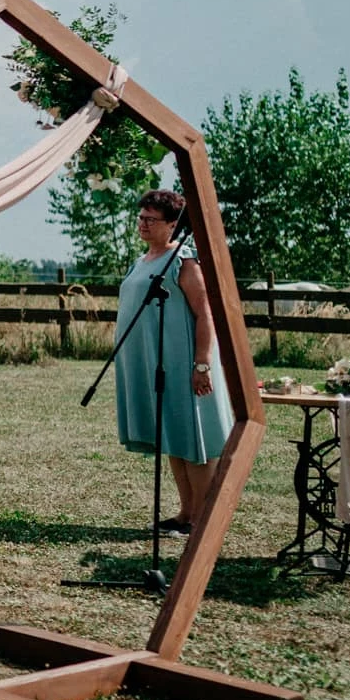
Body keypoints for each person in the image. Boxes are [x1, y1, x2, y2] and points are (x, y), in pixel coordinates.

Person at [117, 190, 233, 535]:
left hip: (183, 363)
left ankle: (202, 519)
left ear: (172, 224)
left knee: (193, 442)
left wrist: (202, 364)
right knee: (174, 439)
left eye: (151, 219)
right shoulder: (143, 260)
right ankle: (186, 513)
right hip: (154, 364)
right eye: (141, 218)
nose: (143, 224)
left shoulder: (182, 261)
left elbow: (204, 313)